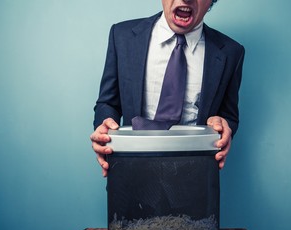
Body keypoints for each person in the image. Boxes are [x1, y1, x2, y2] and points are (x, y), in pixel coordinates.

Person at [90, 0, 245, 177]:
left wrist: (224, 128)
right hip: (129, 172)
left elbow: (229, 116)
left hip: (194, 179)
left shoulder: (231, 52)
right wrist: (104, 129)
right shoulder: (122, 36)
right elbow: (108, 103)